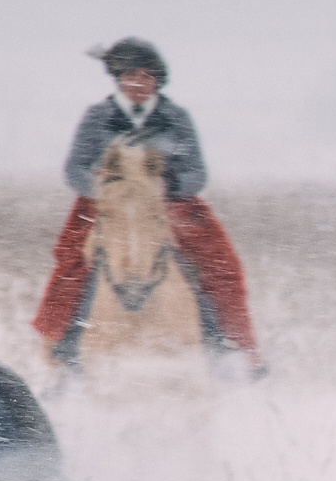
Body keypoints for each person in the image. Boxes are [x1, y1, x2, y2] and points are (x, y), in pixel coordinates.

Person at [32, 38, 261, 369]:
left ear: (158, 81)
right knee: (72, 267)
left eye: (146, 77)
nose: (137, 84)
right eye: (130, 76)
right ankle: (66, 350)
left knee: (219, 266)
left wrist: (168, 186)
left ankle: (227, 348)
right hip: (105, 207)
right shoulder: (97, 117)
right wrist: (102, 188)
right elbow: (74, 169)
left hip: (168, 207)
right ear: (118, 78)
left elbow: (197, 172)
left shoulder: (176, 117)